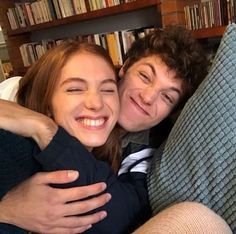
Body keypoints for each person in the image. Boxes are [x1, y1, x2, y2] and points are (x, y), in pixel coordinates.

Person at [0, 26, 231, 233]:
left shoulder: (145, 153)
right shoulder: (26, 106)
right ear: (124, 68)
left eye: (167, 96)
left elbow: (122, 212)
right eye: (144, 76)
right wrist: (7, 209)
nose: (148, 97)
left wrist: (48, 132)